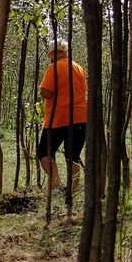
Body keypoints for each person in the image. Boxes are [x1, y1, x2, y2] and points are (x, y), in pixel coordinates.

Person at [38, 38, 88, 197]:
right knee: (72, 155)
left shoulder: (53, 68)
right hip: (80, 117)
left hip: (58, 118)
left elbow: (46, 92)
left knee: (44, 153)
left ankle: (58, 185)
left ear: (53, 54)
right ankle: (72, 190)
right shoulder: (78, 67)